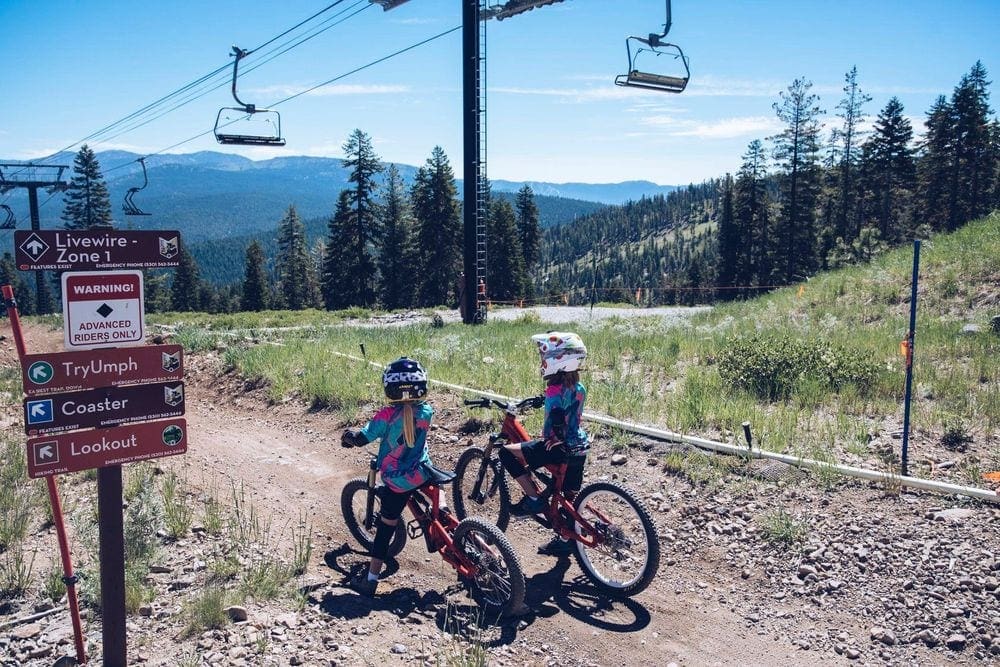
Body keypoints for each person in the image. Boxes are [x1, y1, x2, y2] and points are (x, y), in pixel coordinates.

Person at [340, 356, 441, 596]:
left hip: (398, 481)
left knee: (385, 529)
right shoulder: (427, 411)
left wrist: (349, 436)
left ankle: (371, 579)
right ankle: (443, 513)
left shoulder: (385, 416)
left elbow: (362, 437)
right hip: (423, 470)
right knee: (439, 490)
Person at [497, 332, 589, 557]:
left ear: (557, 362)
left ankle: (533, 498)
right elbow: (565, 405)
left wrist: (555, 433)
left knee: (506, 453)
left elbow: (557, 413)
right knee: (568, 495)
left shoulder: (555, 391)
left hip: (556, 448)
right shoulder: (579, 388)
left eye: (544, 358)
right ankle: (566, 538)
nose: (542, 362)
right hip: (579, 447)